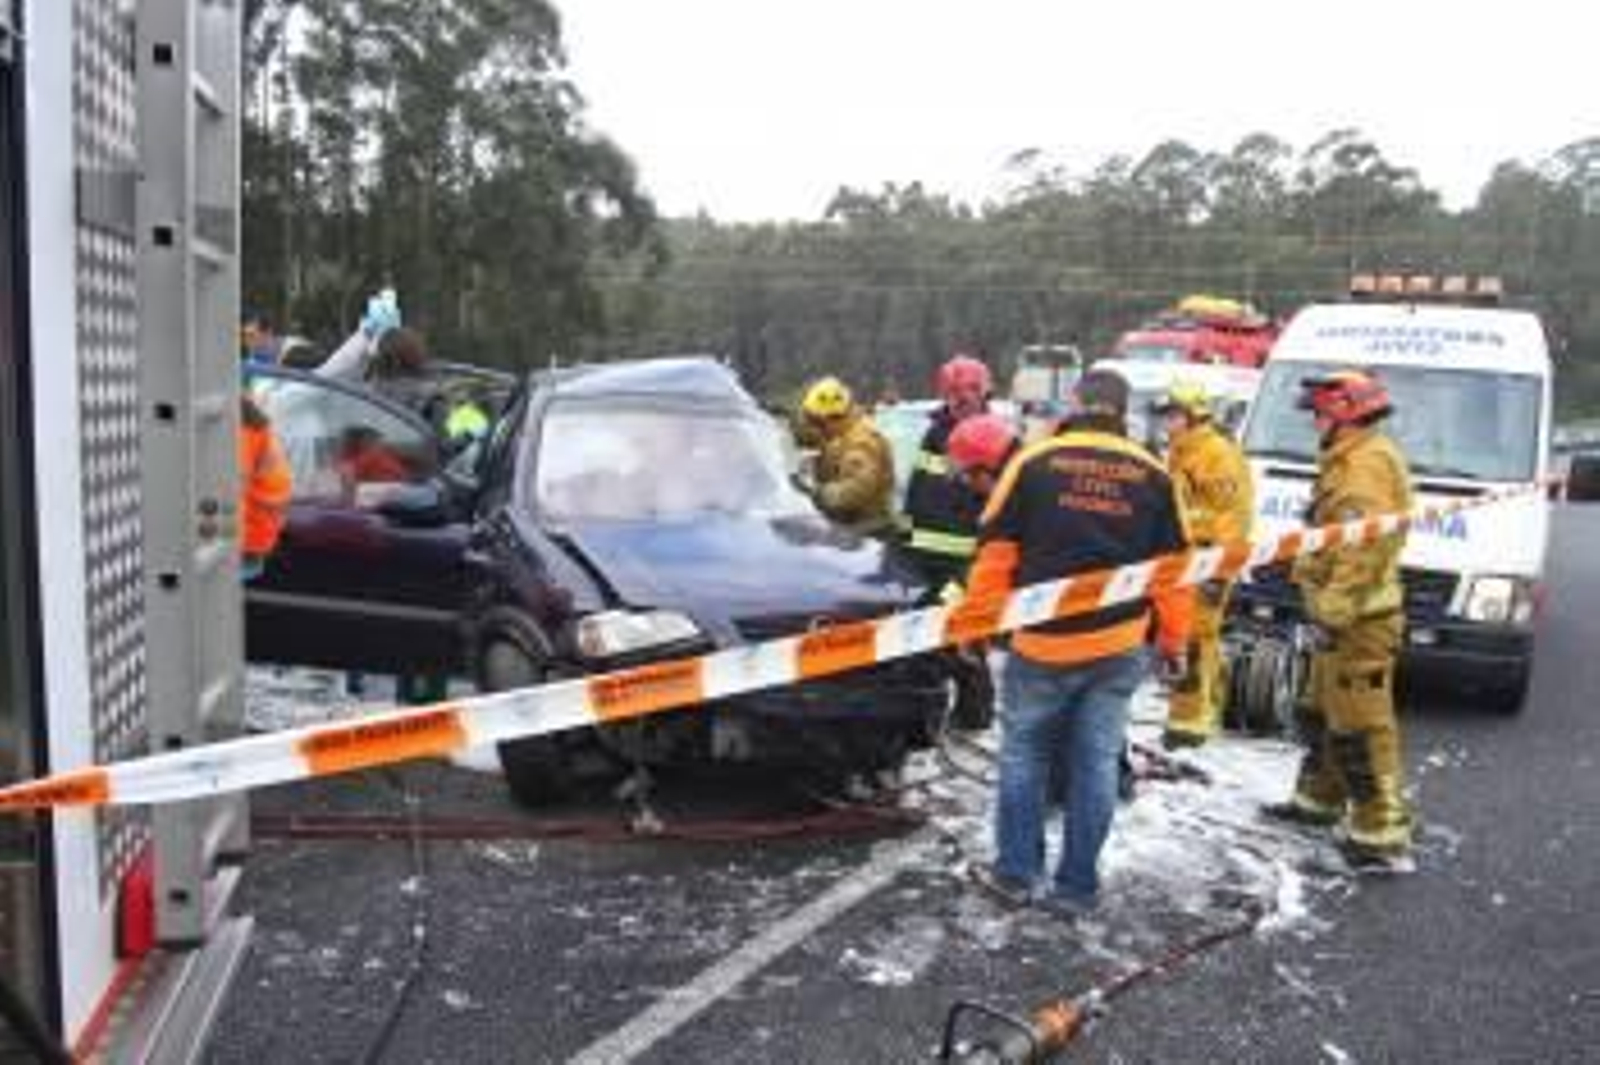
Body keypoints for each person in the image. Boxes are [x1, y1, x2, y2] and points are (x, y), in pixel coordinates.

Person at [965, 369, 1193, 915]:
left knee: (1024, 756)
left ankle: (1016, 875)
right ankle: (1077, 888)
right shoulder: (1155, 475)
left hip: (1043, 645)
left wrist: (973, 628)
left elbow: (996, 556)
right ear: (1123, 411)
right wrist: (1175, 643)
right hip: (1118, 646)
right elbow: (1174, 572)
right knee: (1096, 764)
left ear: (1075, 403)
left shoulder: (1034, 462)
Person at [1265, 370, 1416, 869]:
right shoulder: (1349, 458)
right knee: (1319, 710)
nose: (1314, 423)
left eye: (1319, 414)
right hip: (1341, 613)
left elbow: (1364, 546)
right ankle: (1319, 801)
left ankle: (1380, 830)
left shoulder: (1366, 466)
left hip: (1360, 620)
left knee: (1360, 726)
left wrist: (1332, 607)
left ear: (1345, 414)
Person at [1152, 381, 1255, 749]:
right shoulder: (1182, 452)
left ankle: (1189, 722)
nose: (1167, 423)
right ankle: (1199, 709)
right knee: (1193, 637)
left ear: (1194, 415)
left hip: (1208, 562)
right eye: (1164, 415)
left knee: (1195, 637)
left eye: (1173, 415)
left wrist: (1221, 571)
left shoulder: (1217, 454)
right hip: (1186, 561)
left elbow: (1234, 518)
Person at [903, 353, 993, 589]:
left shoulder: (995, 437)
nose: (961, 400)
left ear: (983, 393)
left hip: (968, 563)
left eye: (969, 392)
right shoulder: (934, 434)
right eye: (953, 393)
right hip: (922, 561)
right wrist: (902, 540)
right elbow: (916, 489)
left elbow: (1004, 503)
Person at [798, 376, 895, 534]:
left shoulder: (862, 441)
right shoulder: (842, 435)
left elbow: (857, 489)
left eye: (817, 422)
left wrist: (819, 493)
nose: (816, 429)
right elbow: (834, 464)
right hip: (851, 524)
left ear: (831, 418)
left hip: (868, 531)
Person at [238, 393, 293, 581]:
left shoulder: (244, 431)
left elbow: (235, 483)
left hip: (252, 529)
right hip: (262, 527)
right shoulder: (256, 425)